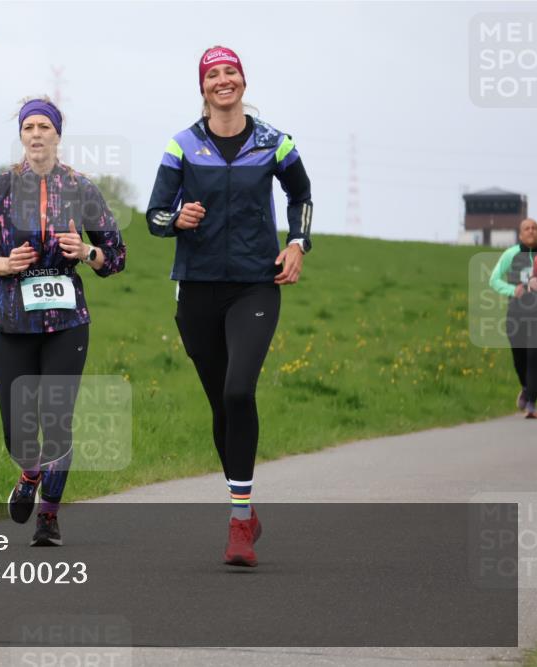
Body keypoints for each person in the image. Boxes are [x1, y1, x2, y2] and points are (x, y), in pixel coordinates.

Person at [146, 46, 313, 567]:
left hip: (254, 285)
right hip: (196, 288)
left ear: (243, 82)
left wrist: (297, 244)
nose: (223, 81)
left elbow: (301, 194)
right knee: (222, 403)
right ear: (203, 88)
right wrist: (178, 219)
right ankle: (245, 507)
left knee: (240, 389)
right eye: (213, 75)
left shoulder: (273, 142)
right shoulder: (182, 145)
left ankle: (239, 524)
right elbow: (152, 215)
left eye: (231, 73)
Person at [0, 97, 126, 546]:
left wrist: (86, 253)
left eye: (44, 126)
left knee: (56, 420)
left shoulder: (81, 188)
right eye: (29, 126)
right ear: (21, 134)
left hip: (66, 322)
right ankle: (29, 472)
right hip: (11, 320)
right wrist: (4, 263)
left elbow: (116, 257)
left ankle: (49, 518)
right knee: (18, 429)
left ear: (58, 134)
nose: (36, 134)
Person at [489, 217, 537, 419]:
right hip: (516, 312)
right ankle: (526, 389)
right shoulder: (511, 254)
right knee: (519, 358)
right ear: (520, 234)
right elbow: (493, 280)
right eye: (527, 228)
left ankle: (531, 405)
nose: (531, 231)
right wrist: (513, 289)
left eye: (535, 228)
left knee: (534, 357)